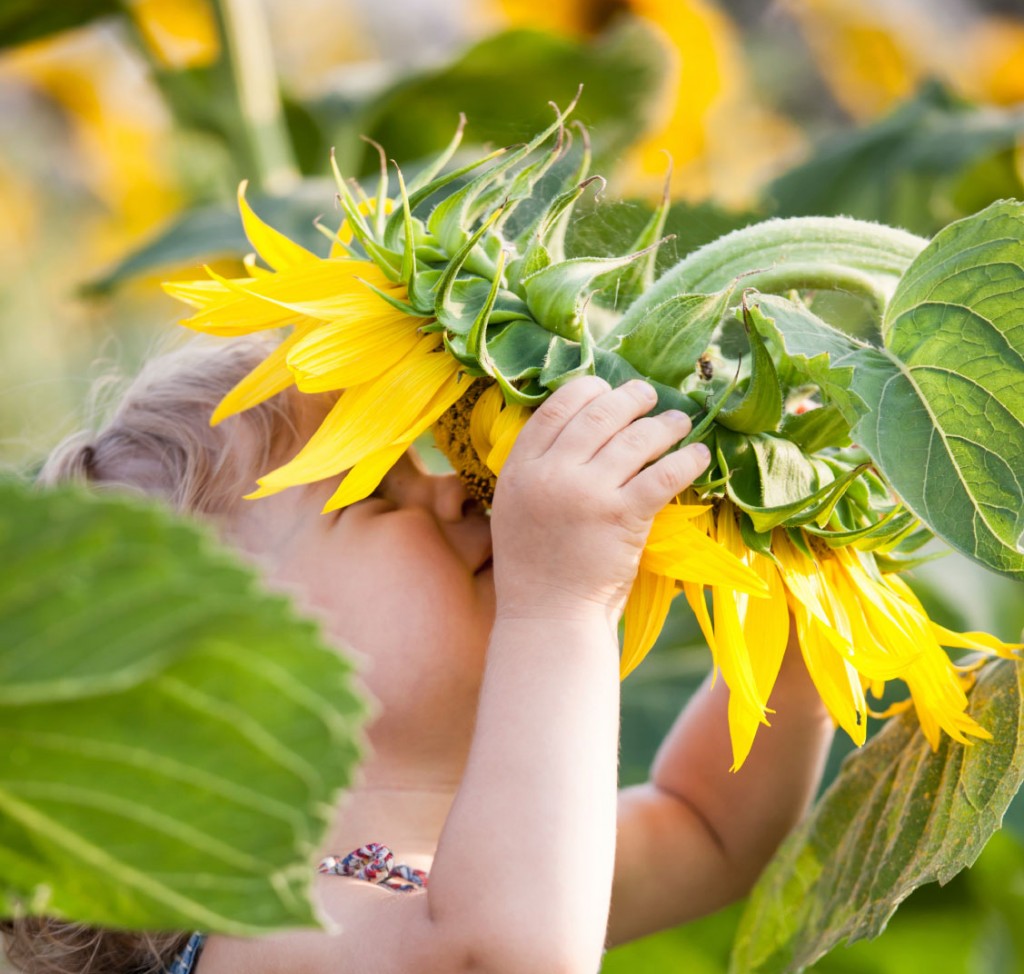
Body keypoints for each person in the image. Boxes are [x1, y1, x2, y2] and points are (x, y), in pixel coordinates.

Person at [3, 335, 833, 974]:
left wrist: (802, 623)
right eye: (367, 491)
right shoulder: (267, 937)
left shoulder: (458, 876)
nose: (455, 488)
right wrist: (562, 603)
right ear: (229, 676)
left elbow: (710, 826)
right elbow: (503, 956)